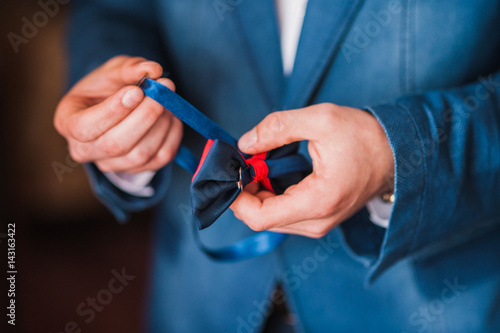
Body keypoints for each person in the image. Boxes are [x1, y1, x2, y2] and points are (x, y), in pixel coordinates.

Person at [54, 0, 500, 332]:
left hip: (429, 303)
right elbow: (114, 10)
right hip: (198, 302)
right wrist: (111, 95)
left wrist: (396, 152)